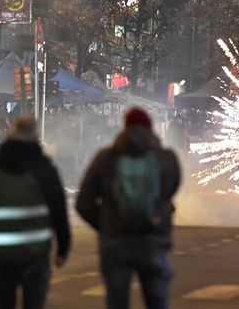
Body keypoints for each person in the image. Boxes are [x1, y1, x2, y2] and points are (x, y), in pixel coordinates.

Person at [76, 108, 181, 309]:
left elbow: (83, 203)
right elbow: (171, 192)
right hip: (153, 239)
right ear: (150, 128)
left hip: (115, 240)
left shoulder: (105, 158)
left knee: (117, 301)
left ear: (124, 128)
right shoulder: (166, 159)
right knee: (157, 300)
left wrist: (106, 224)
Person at [0, 117, 71, 309]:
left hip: (2, 252)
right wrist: (63, 247)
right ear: (35, 137)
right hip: (36, 252)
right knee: (33, 302)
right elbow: (59, 209)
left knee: (4, 302)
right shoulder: (45, 169)